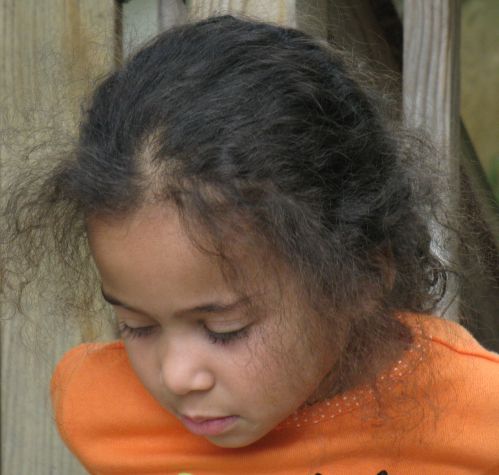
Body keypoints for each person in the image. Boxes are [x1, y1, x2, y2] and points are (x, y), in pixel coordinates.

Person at [2, 14, 499, 475]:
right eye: (136, 326)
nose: (177, 377)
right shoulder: (102, 414)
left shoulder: (479, 418)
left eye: (224, 329)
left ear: (359, 278)